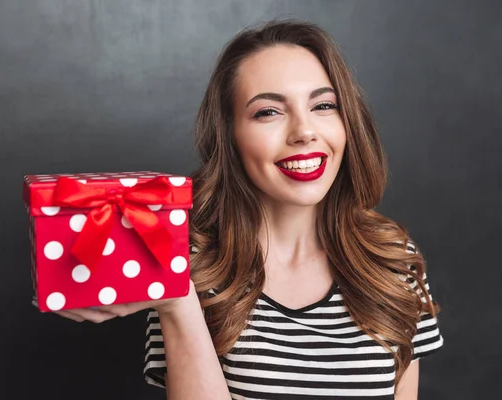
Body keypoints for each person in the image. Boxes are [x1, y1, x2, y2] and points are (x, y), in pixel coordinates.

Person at [51, 20, 444, 399]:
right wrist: (177, 302)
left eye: (324, 105)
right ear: (230, 136)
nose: (304, 131)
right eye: (268, 112)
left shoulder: (393, 259)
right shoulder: (187, 264)